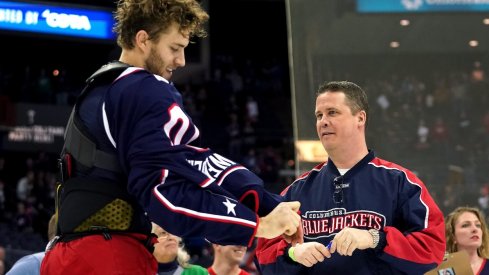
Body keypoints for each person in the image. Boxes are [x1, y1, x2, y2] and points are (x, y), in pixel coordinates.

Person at [41, 0, 301, 274]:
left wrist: (270, 204)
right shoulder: (146, 88)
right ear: (143, 40)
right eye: (174, 48)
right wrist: (255, 225)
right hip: (108, 256)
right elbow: (163, 193)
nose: (181, 61)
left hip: (67, 253)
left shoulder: (103, 84)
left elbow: (193, 162)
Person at [255, 80, 446, 274]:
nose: (323, 121)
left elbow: (431, 247)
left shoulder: (400, 182)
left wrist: (375, 238)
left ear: (360, 118)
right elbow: (263, 259)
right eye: (319, 115)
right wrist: (293, 254)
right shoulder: (295, 192)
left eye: (332, 112)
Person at [445, 206, 489, 275]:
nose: (475, 229)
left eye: (478, 225)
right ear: (453, 236)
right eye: (465, 225)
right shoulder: (442, 270)